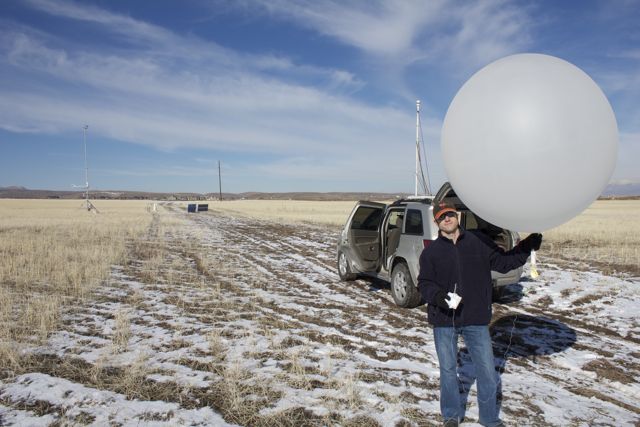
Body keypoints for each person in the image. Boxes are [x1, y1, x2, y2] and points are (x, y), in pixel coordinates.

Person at [418, 201, 542, 427]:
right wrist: (439, 297)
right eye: (442, 216)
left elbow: (504, 263)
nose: (447, 219)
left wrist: (526, 246)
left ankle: (489, 419)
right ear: (436, 222)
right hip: (444, 321)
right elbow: (424, 283)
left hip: (476, 318)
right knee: (448, 370)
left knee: (486, 371)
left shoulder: (477, 242)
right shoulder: (431, 252)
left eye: (450, 215)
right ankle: (451, 415)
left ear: (457, 216)